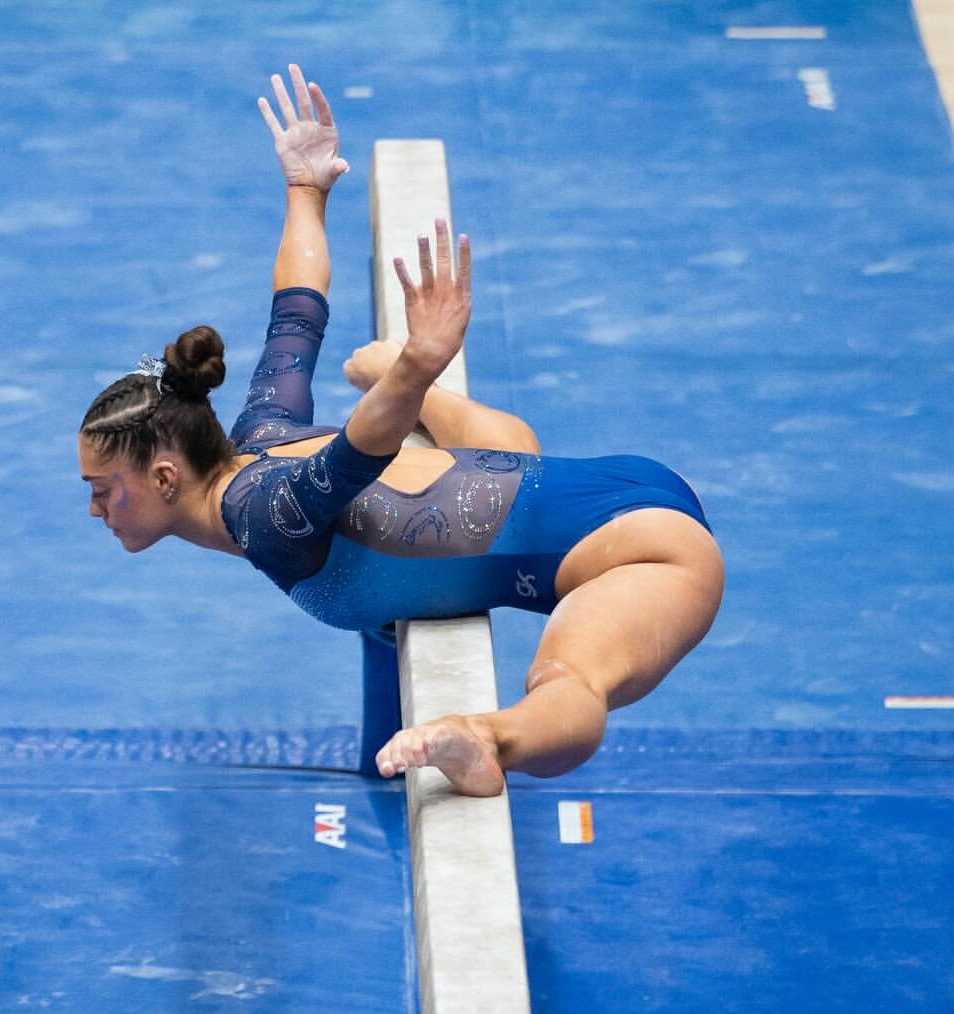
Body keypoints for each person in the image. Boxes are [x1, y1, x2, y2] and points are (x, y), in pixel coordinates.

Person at [78, 64, 724, 797]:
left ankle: (486, 739)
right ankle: (415, 391)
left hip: (648, 554)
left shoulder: (261, 516)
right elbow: (296, 310)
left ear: (164, 477)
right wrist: (305, 192)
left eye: (102, 490)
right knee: (501, 461)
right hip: (587, 485)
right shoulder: (263, 427)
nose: (95, 510)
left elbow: (355, 454)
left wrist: (416, 367)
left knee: (568, 676)